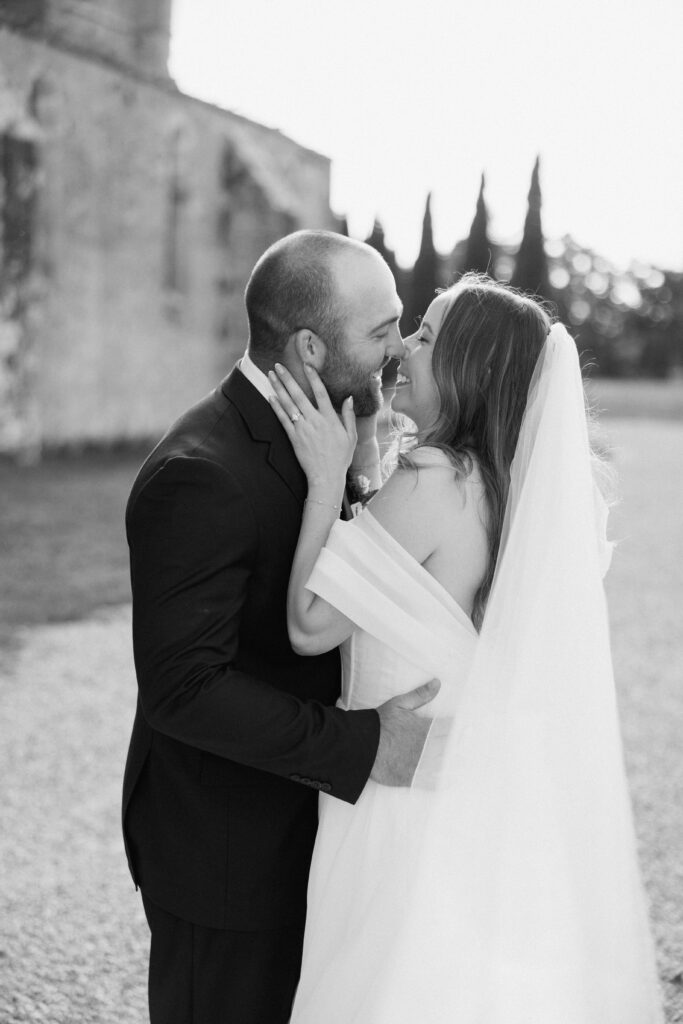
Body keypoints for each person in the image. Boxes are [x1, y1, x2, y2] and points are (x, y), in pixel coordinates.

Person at [269, 274, 664, 1023]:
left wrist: (326, 481)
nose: (404, 349)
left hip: (397, 792)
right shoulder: (517, 485)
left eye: (425, 336)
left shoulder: (431, 477)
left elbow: (308, 625)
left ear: (466, 369)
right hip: (463, 788)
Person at [121, 230, 441, 1024]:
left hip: (311, 841)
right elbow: (184, 688)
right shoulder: (201, 473)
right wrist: (368, 746)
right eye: (379, 330)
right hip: (225, 858)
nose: (397, 346)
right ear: (307, 345)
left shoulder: (328, 430)